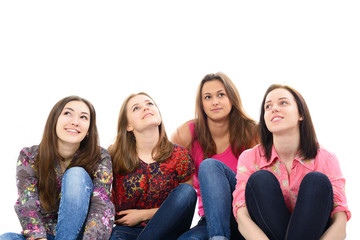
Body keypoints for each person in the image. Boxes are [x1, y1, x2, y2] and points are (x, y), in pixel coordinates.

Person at [233, 84, 351, 240]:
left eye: (283, 103)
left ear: (300, 114)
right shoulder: (249, 158)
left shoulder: (326, 158)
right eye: (268, 106)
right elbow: (242, 215)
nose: (274, 108)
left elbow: (340, 222)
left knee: (317, 181)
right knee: (260, 180)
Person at [0, 96, 114, 240]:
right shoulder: (29, 156)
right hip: (43, 236)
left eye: (84, 117)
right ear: (54, 120)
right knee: (6, 238)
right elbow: (27, 203)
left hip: (83, 235)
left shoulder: (100, 156)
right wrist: (39, 238)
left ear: (89, 130)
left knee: (76, 175)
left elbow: (102, 204)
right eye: (67, 113)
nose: (75, 122)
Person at [172, 72, 258, 240]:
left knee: (209, 166)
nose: (215, 101)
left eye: (221, 95)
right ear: (201, 104)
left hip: (246, 217)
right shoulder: (186, 135)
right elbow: (169, 178)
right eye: (208, 97)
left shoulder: (253, 132)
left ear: (231, 98)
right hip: (210, 220)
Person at [109, 92, 197, 240]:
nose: (146, 108)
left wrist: (142, 215)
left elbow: (184, 205)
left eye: (149, 104)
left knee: (187, 191)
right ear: (128, 125)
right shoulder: (114, 155)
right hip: (128, 232)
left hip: (171, 232)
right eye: (136, 108)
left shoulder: (180, 155)